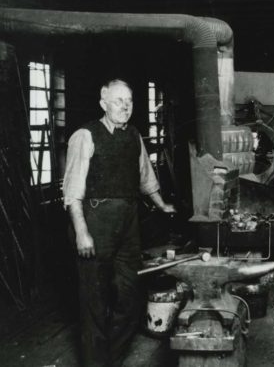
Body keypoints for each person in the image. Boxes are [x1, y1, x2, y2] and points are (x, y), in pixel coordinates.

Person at [63, 79, 175, 366]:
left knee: (130, 295)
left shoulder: (134, 135)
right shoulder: (85, 136)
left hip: (128, 221)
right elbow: (73, 192)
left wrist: (162, 204)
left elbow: (145, 177)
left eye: (130, 101)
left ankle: (109, 358)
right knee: (94, 302)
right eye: (118, 101)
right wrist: (82, 232)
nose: (125, 107)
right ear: (104, 104)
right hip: (95, 221)